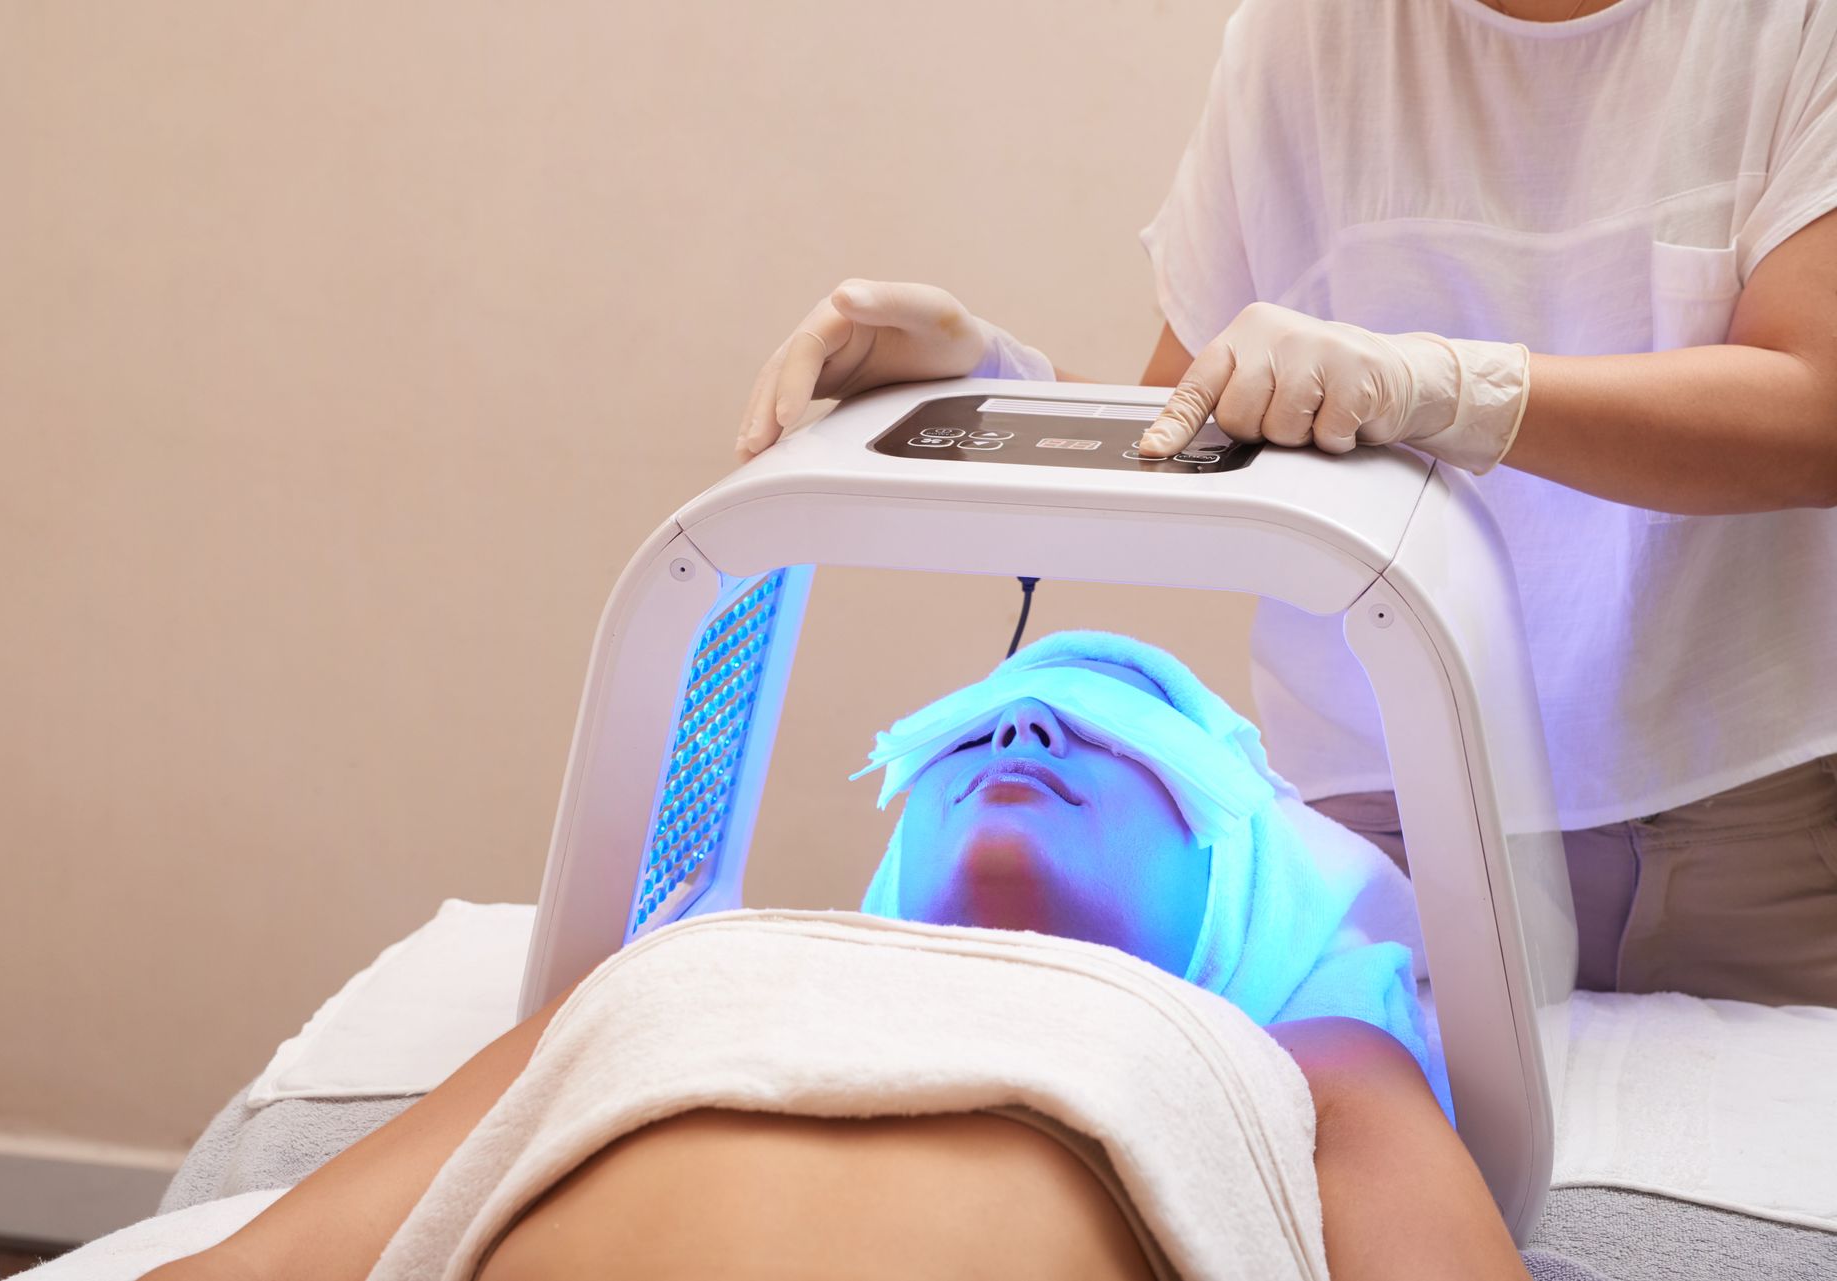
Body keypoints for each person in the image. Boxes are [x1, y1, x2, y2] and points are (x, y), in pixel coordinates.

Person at [737, 0, 1837, 1008]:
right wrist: (978, 387)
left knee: (1739, 1213)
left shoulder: (1785, 28)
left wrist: (1444, 387)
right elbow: (1186, 434)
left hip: (1736, 825)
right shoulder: (1305, 33)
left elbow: (1818, 411)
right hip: (1387, 821)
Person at [144, 636, 1528, 1280]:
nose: (1025, 734)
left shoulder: (1295, 1052)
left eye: (1112, 734)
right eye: (977, 730)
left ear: (1236, 865)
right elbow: (264, 1271)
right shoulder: (694, 966)